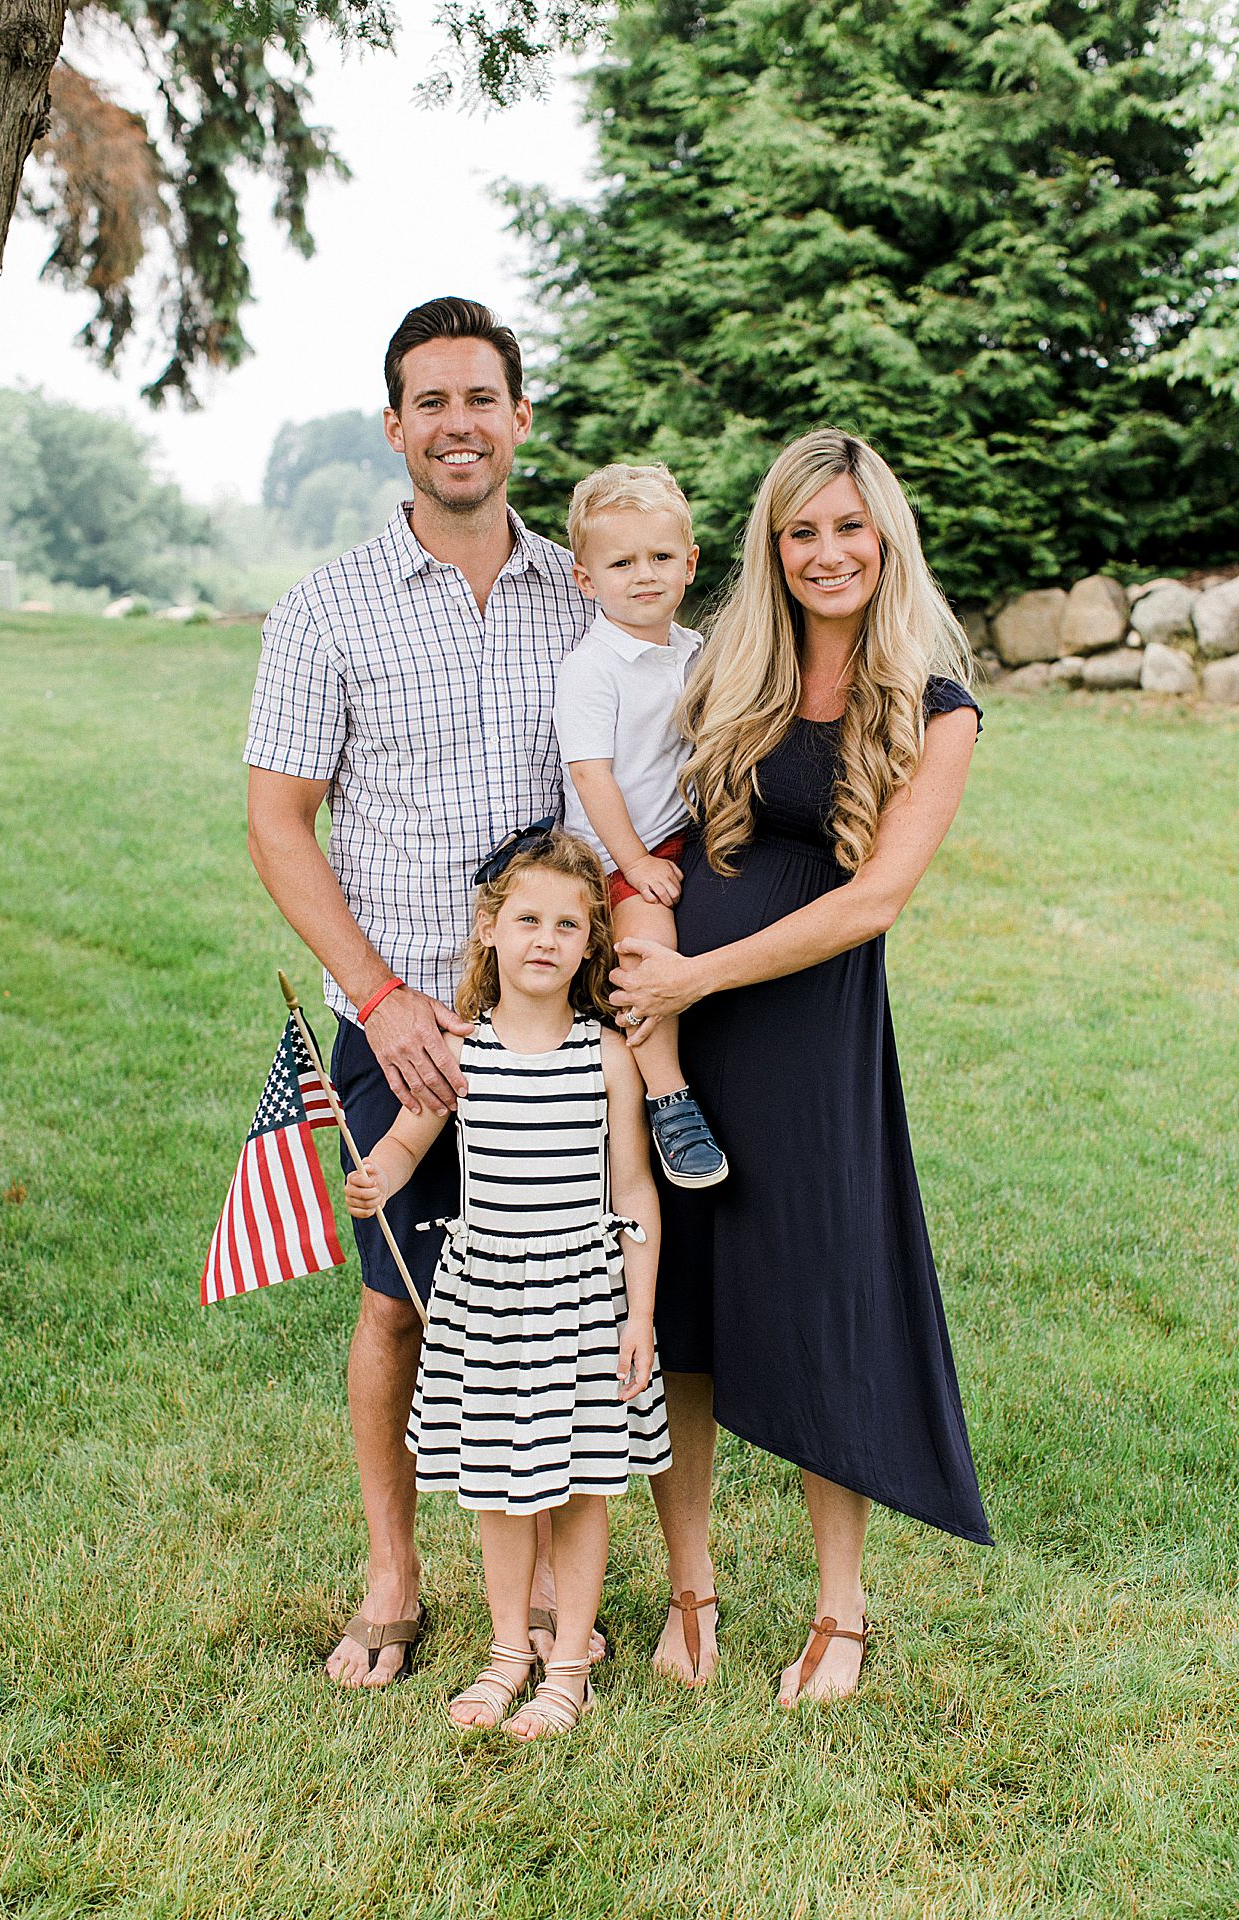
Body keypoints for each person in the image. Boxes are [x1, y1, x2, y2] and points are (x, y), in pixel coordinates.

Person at [609, 427, 992, 1705]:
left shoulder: (935, 702)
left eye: (846, 527)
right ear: (772, 548)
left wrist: (693, 977)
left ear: (884, 536)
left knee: (820, 1298)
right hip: (676, 1027)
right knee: (680, 1309)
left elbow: (873, 899)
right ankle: (691, 1590)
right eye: (799, 531)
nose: (825, 553)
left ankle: (841, 1611)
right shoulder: (730, 664)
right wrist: (647, 951)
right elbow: (649, 817)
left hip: (800, 1026)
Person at [244, 297, 591, 1686]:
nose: (459, 423)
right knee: (399, 1301)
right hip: (396, 1011)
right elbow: (280, 825)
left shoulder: (584, 594)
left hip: (550, 1018)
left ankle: (563, 1588)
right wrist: (380, 996)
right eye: (430, 401)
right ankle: (396, 1570)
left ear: (519, 418)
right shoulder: (323, 607)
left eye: (481, 397)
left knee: (552, 1293)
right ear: (396, 429)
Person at [345, 828, 670, 1737]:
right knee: (497, 1483)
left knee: (580, 1483)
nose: (546, 938)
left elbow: (634, 1185)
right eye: (527, 918)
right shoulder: (464, 1053)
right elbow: (409, 1142)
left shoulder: (605, 1056)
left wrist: (638, 1311)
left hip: (581, 1296)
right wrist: (376, 1176)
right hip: (486, 1298)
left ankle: (567, 1666)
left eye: (569, 925)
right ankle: (505, 1654)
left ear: (589, 943)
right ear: (489, 929)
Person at [553, 464, 727, 1190]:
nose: (644, 575)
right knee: (646, 944)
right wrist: (634, 861)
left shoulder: (694, 651)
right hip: (613, 850)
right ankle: (669, 1099)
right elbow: (591, 775)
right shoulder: (593, 668)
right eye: (621, 562)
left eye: (660, 557)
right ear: (586, 578)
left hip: (681, 832)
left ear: (689, 563)